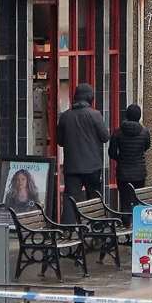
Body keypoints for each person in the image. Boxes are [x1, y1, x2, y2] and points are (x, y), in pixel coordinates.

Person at [56, 83, 110, 222]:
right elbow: (105, 137)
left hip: (72, 166)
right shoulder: (95, 115)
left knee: (70, 199)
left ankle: (68, 231)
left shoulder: (65, 116)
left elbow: (60, 141)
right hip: (92, 165)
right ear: (90, 98)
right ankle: (97, 228)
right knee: (94, 198)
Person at [108, 102, 152, 209]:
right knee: (138, 198)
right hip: (139, 171)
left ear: (127, 115)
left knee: (124, 198)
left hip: (123, 171)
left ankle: (125, 222)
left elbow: (112, 152)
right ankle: (136, 222)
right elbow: (147, 146)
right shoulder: (144, 132)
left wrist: (120, 159)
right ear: (139, 116)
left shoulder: (118, 132)